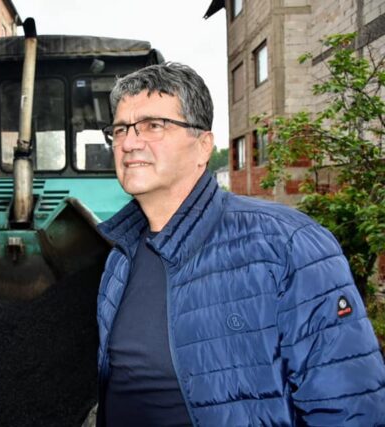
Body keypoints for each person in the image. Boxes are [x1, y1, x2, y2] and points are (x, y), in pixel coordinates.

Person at [95, 62, 385, 426]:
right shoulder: (119, 257)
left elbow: (350, 408)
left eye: (153, 125)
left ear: (203, 146)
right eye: (120, 129)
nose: (129, 143)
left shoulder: (287, 246)